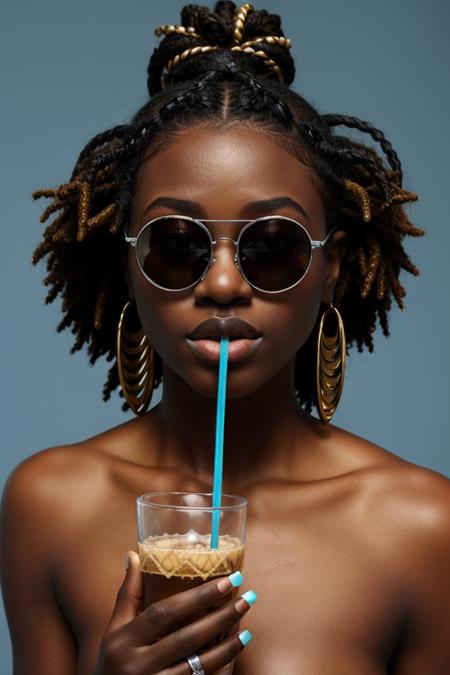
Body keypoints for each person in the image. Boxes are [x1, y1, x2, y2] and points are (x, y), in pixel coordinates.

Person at [1, 1, 449, 673]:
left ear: (331, 266)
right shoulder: (50, 503)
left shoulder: (421, 527)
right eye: (177, 245)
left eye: (271, 246)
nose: (220, 284)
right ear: (127, 263)